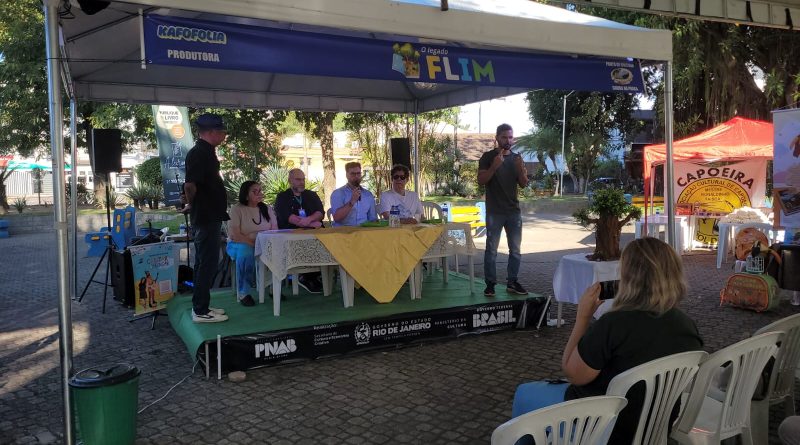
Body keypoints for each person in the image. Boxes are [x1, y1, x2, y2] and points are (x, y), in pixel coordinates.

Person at [511, 237, 704, 444]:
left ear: (627, 277)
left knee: (524, 393)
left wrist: (582, 317)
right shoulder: (687, 326)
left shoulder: (613, 324)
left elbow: (573, 374)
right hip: (655, 424)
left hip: (605, 425)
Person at [183, 113, 230, 323]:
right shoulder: (198, 153)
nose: (224, 135)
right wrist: (192, 204)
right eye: (221, 131)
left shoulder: (207, 152)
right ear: (211, 132)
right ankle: (200, 310)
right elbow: (190, 184)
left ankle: (201, 303)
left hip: (210, 214)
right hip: (206, 215)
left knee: (204, 261)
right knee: (208, 262)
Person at [477, 123, 529, 297]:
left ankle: (512, 282)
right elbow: (481, 180)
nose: (508, 140)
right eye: (504, 137)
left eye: (510, 137)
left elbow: (523, 183)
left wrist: (521, 169)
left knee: (515, 250)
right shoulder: (488, 157)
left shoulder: (516, 158)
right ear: (497, 138)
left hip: (513, 212)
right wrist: (494, 166)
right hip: (494, 212)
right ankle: (490, 284)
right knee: (491, 249)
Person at [227, 181, 278, 306]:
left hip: (263, 243)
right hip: (239, 243)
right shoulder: (236, 209)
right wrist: (254, 244)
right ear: (246, 195)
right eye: (255, 191)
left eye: (260, 190)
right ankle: (244, 293)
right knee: (245, 252)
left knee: (277, 250)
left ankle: (273, 288)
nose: (259, 193)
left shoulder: (267, 209)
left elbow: (275, 229)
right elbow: (235, 235)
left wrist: (265, 244)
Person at [274, 168, 325, 293]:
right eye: (298, 179)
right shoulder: (282, 197)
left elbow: (320, 213)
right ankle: (305, 277)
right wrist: (312, 223)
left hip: (313, 234)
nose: (302, 182)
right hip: (292, 235)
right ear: (290, 180)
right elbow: (290, 218)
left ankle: (316, 276)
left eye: (303, 179)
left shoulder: (311, 195)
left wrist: (309, 220)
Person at [330, 162, 377, 227]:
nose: (356, 176)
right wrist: (352, 201)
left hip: (364, 232)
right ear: (347, 175)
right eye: (353, 174)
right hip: (344, 232)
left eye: (358, 173)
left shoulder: (368, 195)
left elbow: (373, 219)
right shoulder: (338, 193)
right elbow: (337, 218)